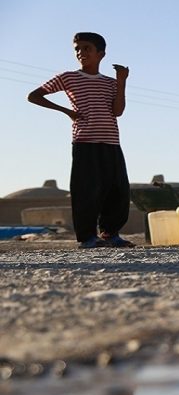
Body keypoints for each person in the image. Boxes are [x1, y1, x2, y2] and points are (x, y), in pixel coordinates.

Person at [27, 32, 134, 249]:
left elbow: (117, 111)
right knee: (87, 189)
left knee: (118, 190)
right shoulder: (68, 77)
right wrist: (67, 111)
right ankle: (87, 237)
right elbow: (34, 96)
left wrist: (121, 82)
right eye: (77, 49)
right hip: (85, 141)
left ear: (100, 54)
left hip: (111, 142)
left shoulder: (110, 83)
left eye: (86, 48)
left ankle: (110, 234)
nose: (80, 52)